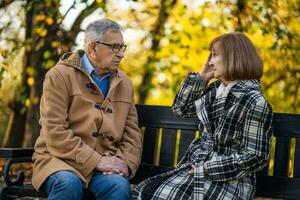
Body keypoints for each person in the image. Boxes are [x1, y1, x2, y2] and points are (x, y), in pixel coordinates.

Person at [133, 32, 273, 200]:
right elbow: (180, 109)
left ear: (233, 57)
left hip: (229, 181)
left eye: (215, 55)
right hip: (197, 171)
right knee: (145, 192)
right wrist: (201, 79)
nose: (210, 62)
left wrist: (207, 168)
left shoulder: (255, 101)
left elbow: (255, 157)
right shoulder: (214, 91)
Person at [32, 19, 142, 200]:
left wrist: (122, 164)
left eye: (122, 47)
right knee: (68, 183)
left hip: (105, 167)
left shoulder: (125, 84)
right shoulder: (59, 75)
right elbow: (55, 132)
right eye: (114, 47)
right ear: (92, 48)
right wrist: (97, 161)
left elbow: (132, 134)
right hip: (59, 161)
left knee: (118, 186)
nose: (121, 54)